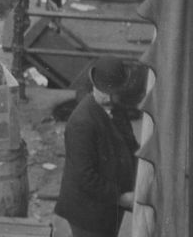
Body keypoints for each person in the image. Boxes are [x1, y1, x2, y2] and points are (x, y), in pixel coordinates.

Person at [55, 56, 139, 237]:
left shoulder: (117, 110)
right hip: (87, 214)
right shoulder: (82, 122)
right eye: (103, 92)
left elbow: (131, 146)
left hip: (108, 208)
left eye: (113, 92)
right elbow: (85, 177)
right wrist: (121, 198)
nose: (108, 97)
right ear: (94, 85)